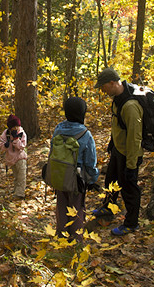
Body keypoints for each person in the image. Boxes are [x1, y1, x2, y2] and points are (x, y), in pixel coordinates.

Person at [92, 67, 143, 236]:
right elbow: (118, 126)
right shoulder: (117, 99)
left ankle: (131, 223)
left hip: (129, 154)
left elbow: (135, 138)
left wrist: (131, 165)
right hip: (118, 149)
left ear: (113, 83)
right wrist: (112, 144)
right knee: (111, 181)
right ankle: (108, 207)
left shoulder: (130, 106)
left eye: (103, 86)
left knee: (129, 188)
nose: (102, 90)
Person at [51, 97, 99, 242]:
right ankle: (76, 238)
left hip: (59, 175)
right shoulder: (85, 134)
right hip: (77, 178)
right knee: (77, 207)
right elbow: (91, 160)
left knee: (61, 205)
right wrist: (92, 178)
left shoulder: (58, 129)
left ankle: (61, 236)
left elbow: (52, 151)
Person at [0, 115, 27, 199]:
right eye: (13, 127)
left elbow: (22, 146)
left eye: (17, 126)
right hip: (11, 158)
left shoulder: (22, 133)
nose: (15, 129)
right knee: (16, 176)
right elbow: (1, 146)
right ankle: (16, 190)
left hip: (20, 158)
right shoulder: (6, 133)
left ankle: (20, 193)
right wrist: (5, 145)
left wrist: (16, 139)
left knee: (21, 176)